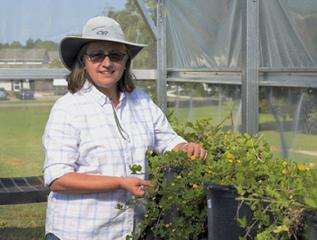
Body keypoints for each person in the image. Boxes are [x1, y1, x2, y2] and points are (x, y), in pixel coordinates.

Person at [42, 16, 207, 240]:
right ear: (84, 61)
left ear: (125, 61)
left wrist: (186, 147)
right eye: (97, 54)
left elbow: (167, 139)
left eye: (115, 55)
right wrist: (120, 182)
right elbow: (58, 179)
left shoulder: (140, 101)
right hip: (79, 232)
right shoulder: (68, 109)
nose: (107, 62)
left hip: (130, 232)